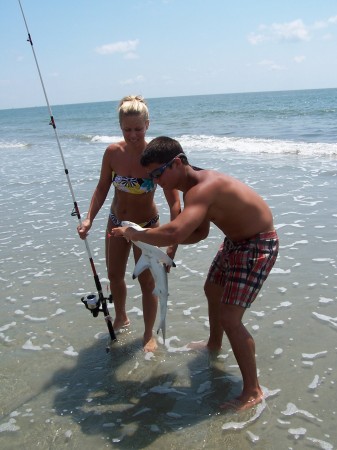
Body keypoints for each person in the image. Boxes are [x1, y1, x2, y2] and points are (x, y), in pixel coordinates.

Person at [111, 136, 279, 410]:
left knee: (231, 318)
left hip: (258, 244)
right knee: (212, 289)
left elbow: (177, 231)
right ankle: (214, 343)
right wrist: (156, 241)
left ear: (176, 163)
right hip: (236, 242)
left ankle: (253, 390)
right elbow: (198, 233)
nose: (155, 182)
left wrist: (137, 233)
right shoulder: (192, 191)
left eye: (157, 174)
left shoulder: (203, 189)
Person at [77, 99, 181, 352]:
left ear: (147, 124)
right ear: (120, 127)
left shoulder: (156, 157)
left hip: (146, 227)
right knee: (113, 276)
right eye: (127, 129)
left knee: (147, 283)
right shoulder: (113, 153)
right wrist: (89, 217)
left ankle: (148, 335)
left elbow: (174, 203)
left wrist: (172, 244)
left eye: (138, 129)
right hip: (115, 223)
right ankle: (121, 316)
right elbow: (102, 187)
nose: (133, 135)